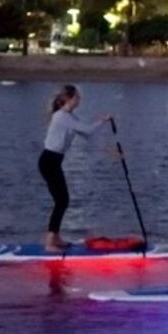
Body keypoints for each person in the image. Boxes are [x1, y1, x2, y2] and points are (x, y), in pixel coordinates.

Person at [38, 84, 113, 252]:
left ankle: (55, 238)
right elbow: (87, 128)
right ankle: (50, 242)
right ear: (69, 99)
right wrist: (102, 120)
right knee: (62, 200)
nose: (79, 100)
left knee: (62, 200)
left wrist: (110, 151)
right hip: (49, 161)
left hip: (54, 161)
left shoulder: (69, 117)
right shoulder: (61, 117)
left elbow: (88, 134)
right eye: (77, 97)